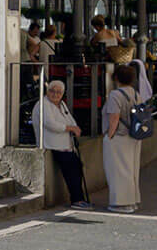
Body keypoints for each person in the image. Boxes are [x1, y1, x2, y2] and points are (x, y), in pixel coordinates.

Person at [33, 79, 90, 209]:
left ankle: (79, 199)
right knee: (72, 171)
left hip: (65, 146)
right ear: (48, 91)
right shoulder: (43, 104)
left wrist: (75, 127)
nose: (55, 94)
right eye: (52, 91)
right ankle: (77, 200)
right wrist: (70, 128)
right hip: (53, 145)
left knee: (77, 168)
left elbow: (70, 119)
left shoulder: (61, 104)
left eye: (59, 92)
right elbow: (51, 124)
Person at [101, 61, 144, 213]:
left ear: (116, 78)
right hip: (134, 135)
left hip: (119, 136)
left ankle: (121, 202)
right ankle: (132, 201)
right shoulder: (136, 94)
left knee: (118, 170)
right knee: (132, 169)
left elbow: (114, 117)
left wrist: (109, 135)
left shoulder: (115, 95)